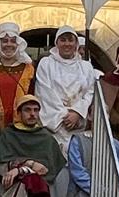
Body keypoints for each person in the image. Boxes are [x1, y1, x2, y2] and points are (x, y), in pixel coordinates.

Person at [0, 95, 65, 197]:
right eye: (27, 110)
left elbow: (49, 168)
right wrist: (28, 165)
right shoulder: (8, 135)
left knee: (36, 181)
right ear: (19, 113)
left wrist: (24, 168)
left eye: (35, 110)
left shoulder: (46, 138)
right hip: (13, 185)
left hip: (43, 186)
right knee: (31, 180)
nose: (32, 114)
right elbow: (1, 164)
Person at [35, 25, 97, 156]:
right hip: (55, 125)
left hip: (77, 124)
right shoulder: (46, 64)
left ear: (76, 43)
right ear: (56, 43)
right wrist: (64, 116)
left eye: (70, 40)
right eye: (63, 40)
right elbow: (45, 93)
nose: (67, 44)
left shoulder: (86, 67)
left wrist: (77, 113)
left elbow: (89, 92)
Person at [0, 22, 35, 119]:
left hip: (20, 122)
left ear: (18, 44)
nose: (9, 44)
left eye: (13, 41)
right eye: (5, 41)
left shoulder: (28, 69)